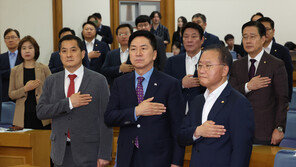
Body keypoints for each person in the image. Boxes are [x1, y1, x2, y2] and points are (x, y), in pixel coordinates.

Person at [104, 30, 185, 167]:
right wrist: (136, 111)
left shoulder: (170, 84)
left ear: (154, 54)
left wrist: (176, 162)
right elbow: (109, 117)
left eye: (143, 48)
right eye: (133, 49)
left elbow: (177, 127)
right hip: (127, 157)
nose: (138, 53)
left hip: (158, 158)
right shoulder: (120, 83)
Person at [37, 35, 113, 167]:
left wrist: (104, 154)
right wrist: (69, 103)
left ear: (83, 54)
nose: (68, 55)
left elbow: (105, 119)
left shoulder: (98, 80)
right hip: (60, 152)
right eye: (64, 51)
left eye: (73, 50)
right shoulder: (51, 80)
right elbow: (41, 112)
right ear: (59, 54)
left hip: (89, 152)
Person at [178, 45, 254, 167]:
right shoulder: (198, 101)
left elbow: (241, 152)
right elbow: (181, 136)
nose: (201, 70)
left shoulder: (238, 103)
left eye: (208, 66)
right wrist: (197, 131)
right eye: (200, 65)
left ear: (225, 70)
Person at [229, 21, 289, 145]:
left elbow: (282, 100)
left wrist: (279, 128)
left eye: (252, 36)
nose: (248, 41)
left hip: (265, 131)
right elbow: (230, 92)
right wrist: (248, 86)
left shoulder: (276, 64)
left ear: (262, 39)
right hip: (238, 129)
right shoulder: (236, 65)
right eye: (245, 37)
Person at [8, 36, 51, 129]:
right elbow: (11, 94)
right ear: (20, 51)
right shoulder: (15, 70)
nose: (27, 51)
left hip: (42, 115)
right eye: (24, 48)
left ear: (36, 50)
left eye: (30, 48)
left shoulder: (44, 68)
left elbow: (52, 91)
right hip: (22, 116)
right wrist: (25, 89)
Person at [165, 22, 206, 114]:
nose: (189, 40)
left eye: (194, 36)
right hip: (177, 113)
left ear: (202, 39)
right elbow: (164, 87)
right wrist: (181, 84)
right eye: (186, 37)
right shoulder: (172, 61)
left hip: (203, 112)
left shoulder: (209, 61)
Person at [257, 17, 293, 102]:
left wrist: (287, 99)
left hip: (276, 98)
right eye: (261, 29)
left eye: (267, 29)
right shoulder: (252, 50)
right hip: (256, 98)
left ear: (273, 31)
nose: (264, 32)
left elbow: (288, 75)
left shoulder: (283, 51)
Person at [0, 28, 22, 103]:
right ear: (4, 41)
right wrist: (14, 72)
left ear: (19, 39)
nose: (10, 40)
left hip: (21, 95)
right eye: (7, 38)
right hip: (4, 96)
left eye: (13, 37)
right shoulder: (1, 57)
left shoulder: (24, 56)